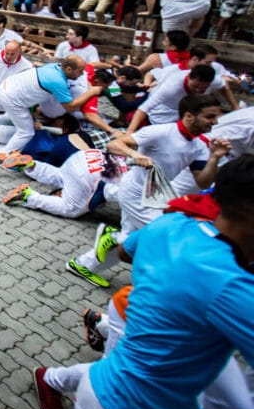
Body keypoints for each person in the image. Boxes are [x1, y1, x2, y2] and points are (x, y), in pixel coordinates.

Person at [36, 155, 254, 409]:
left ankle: (57, 371)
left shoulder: (170, 223)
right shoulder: (232, 283)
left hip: (106, 383)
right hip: (129, 405)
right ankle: (52, 377)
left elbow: (126, 251)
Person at [67, 94, 230, 289]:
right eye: (210, 117)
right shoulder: (161, 132)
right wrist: (136, 155)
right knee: (162, 236)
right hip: (134, 193)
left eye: (215, 116)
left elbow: (203, 182)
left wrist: (214, 158)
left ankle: (82, 265)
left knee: (132, 236)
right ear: (188, 116)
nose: (215, 121)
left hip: (154, 197)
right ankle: (112, 239)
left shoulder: (199, 146)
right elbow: (114, 144)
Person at [2, 147, 124, 219]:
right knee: (72, 209)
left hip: (87, 156)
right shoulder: (138, 185)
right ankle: (29, 197)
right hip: (90, 173)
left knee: (61, 176)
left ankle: (30, 165)